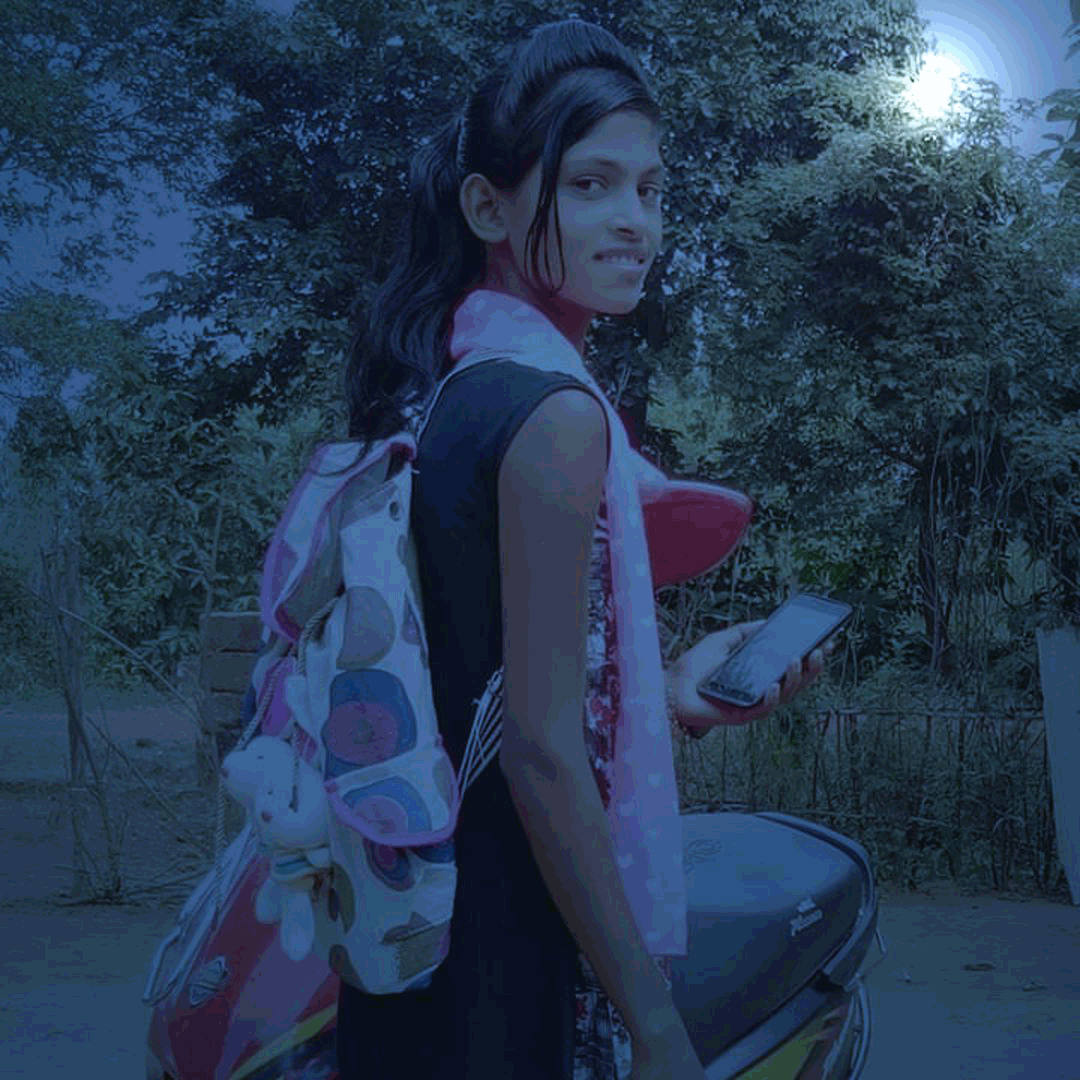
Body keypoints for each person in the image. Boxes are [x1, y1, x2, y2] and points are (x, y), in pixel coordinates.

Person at [335, 18, 827, 1080]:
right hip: (511, 936)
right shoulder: (557, 418)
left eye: (650, 190)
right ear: (489, 208)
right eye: (591, 185)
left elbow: (483, 677)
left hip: (424, 916)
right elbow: (542, 750)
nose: (635, 221)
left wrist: (673, 690)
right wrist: (657, 1028)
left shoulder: (453, 390)